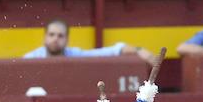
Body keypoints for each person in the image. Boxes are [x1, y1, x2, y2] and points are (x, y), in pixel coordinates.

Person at [22, 18, 150, 60]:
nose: (55, 39)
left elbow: (111, 50)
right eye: (52, 35)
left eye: (60, 36)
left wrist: (138, 49)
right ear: (45, 37)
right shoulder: (30, 58)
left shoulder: (74, 54)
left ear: (67, 39)